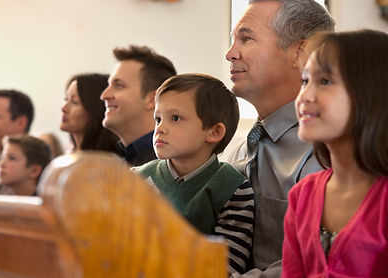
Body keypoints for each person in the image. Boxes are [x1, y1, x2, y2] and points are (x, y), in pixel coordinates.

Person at [224, 0, 335, 276]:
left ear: (301, 51)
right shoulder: (237, 150)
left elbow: (318, 261)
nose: (230, 54)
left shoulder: (330, 154)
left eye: (246, 38)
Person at [282, 29, 388, 277]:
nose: (304, 96)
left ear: (371, 92)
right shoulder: (302, 195)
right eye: (305, 81)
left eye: (325, 81)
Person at [135, 74, 254, 274]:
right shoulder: (136, 179)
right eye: (158, 119)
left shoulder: (232, 189)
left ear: (214, 132)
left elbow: (225, 268)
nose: (160, 128)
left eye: (175, 118)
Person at [101, 45, 177, 166]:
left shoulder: (171, 168)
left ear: (153, 100)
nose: (104, 95)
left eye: (119, 85)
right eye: (109, 85)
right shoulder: (116, 162)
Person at [61, 73, 120, 154]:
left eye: (74, 102)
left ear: (94, 110)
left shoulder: (108, 162)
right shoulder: (67, 154)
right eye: (66, 99)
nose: (64, 108)